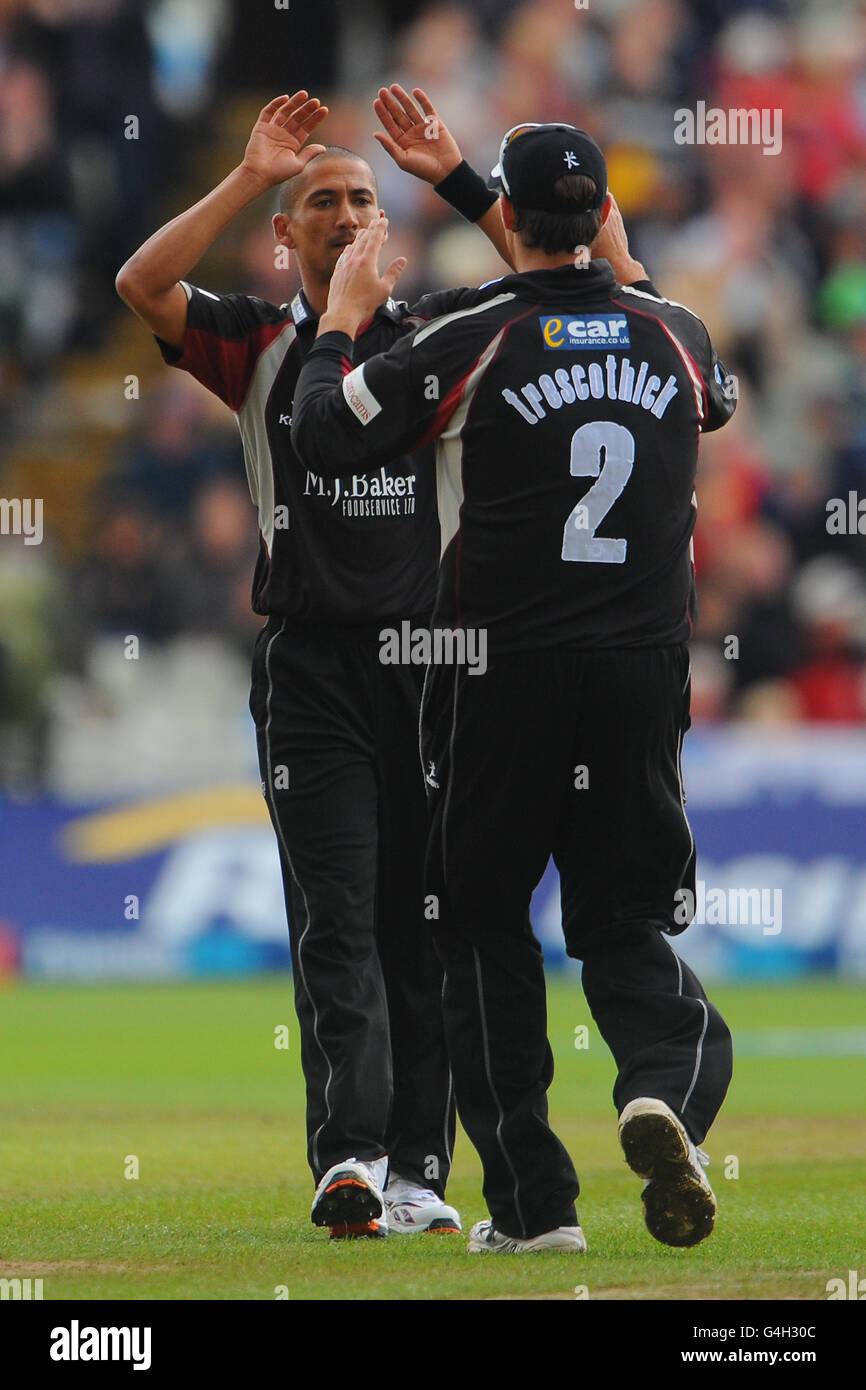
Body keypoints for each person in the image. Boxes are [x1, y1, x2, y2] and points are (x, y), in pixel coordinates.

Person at [289, 122, 737, 1253]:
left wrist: (340, 319)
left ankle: (535, 1210)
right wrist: (614, 268)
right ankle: (661, 1090)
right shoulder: (676, 336)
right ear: (603, 218)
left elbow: (322, 439)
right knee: (627, 918)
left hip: (494, 675)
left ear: (509, 227)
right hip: (640, 672)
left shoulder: (466, 331)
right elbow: (695, 381)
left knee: (479, 922)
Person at [115, 87, 514, 1239]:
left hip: (428, 665)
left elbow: (552, 282)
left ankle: (418, 1175)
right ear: (283, 238)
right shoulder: (252, 343)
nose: (344, 215)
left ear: (383, 229)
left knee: (421, 922)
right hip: (310, 671)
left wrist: (453, 179)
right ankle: (347, 1157)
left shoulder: (435, 339)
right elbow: (139, 285)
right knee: (333, 914)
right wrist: (248, 175)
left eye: (359, 199)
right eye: (319, 203)